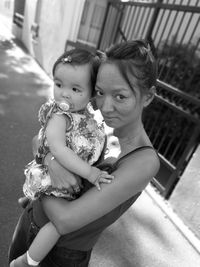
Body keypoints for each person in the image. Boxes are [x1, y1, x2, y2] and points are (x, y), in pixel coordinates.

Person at [8, 39, 160, 267]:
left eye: (120, 96)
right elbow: (38, 140)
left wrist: (40, 184)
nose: (106, 106)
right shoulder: (97, 127)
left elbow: (65, 220)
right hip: (30, 221)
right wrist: (51, 162)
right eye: (100, 92)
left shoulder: (144, 161)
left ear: (147, 97)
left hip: (61, 255)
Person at [9, 48, 114, 267]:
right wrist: (91, 173)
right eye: (59, 84)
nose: (64, 93)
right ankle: (27, 261)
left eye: (75, 89)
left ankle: (29, 199)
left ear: (92, 93)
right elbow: (57, 148)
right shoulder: (60, 116)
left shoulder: (85, 119)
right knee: (57, 226)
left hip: (61, 176)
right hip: (51, 175)